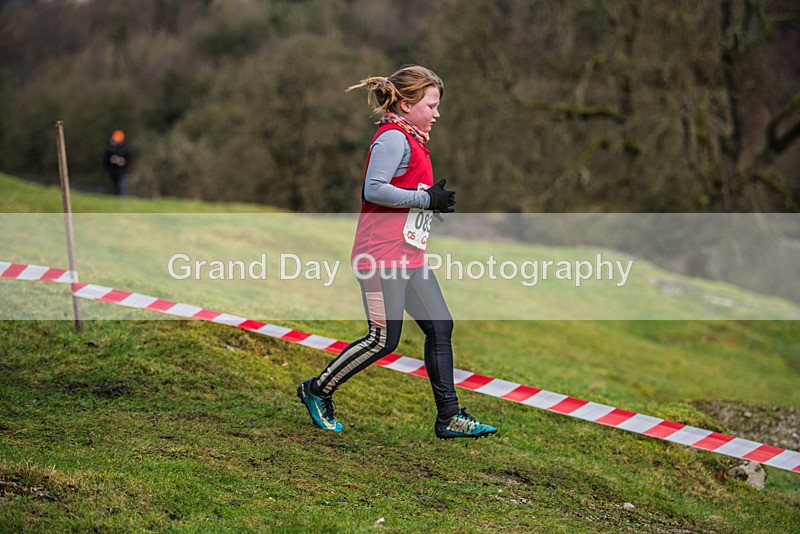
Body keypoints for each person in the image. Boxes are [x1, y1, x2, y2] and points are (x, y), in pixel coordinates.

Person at [297, 65, 497, 440]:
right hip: (379, 257)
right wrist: (425, 198)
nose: (437, 113)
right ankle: (317, 389)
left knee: (440, 326)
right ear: (406, 104)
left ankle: (449, 417)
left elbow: (401, 194)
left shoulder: (414, 139)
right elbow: (373, 190)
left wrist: (428, 207)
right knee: (382, 339)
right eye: (432, 105)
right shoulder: (391, 139)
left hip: (409, 256)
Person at [105, 130, 130, 196]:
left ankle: (122, 201)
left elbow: (127, 161)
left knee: (121, 188)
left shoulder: (124, 149)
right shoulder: (110, 148)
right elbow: (106, 159)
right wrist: (111, 160)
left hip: (121, 172)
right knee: (115, 189)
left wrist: (121, 161)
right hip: (113, 172)